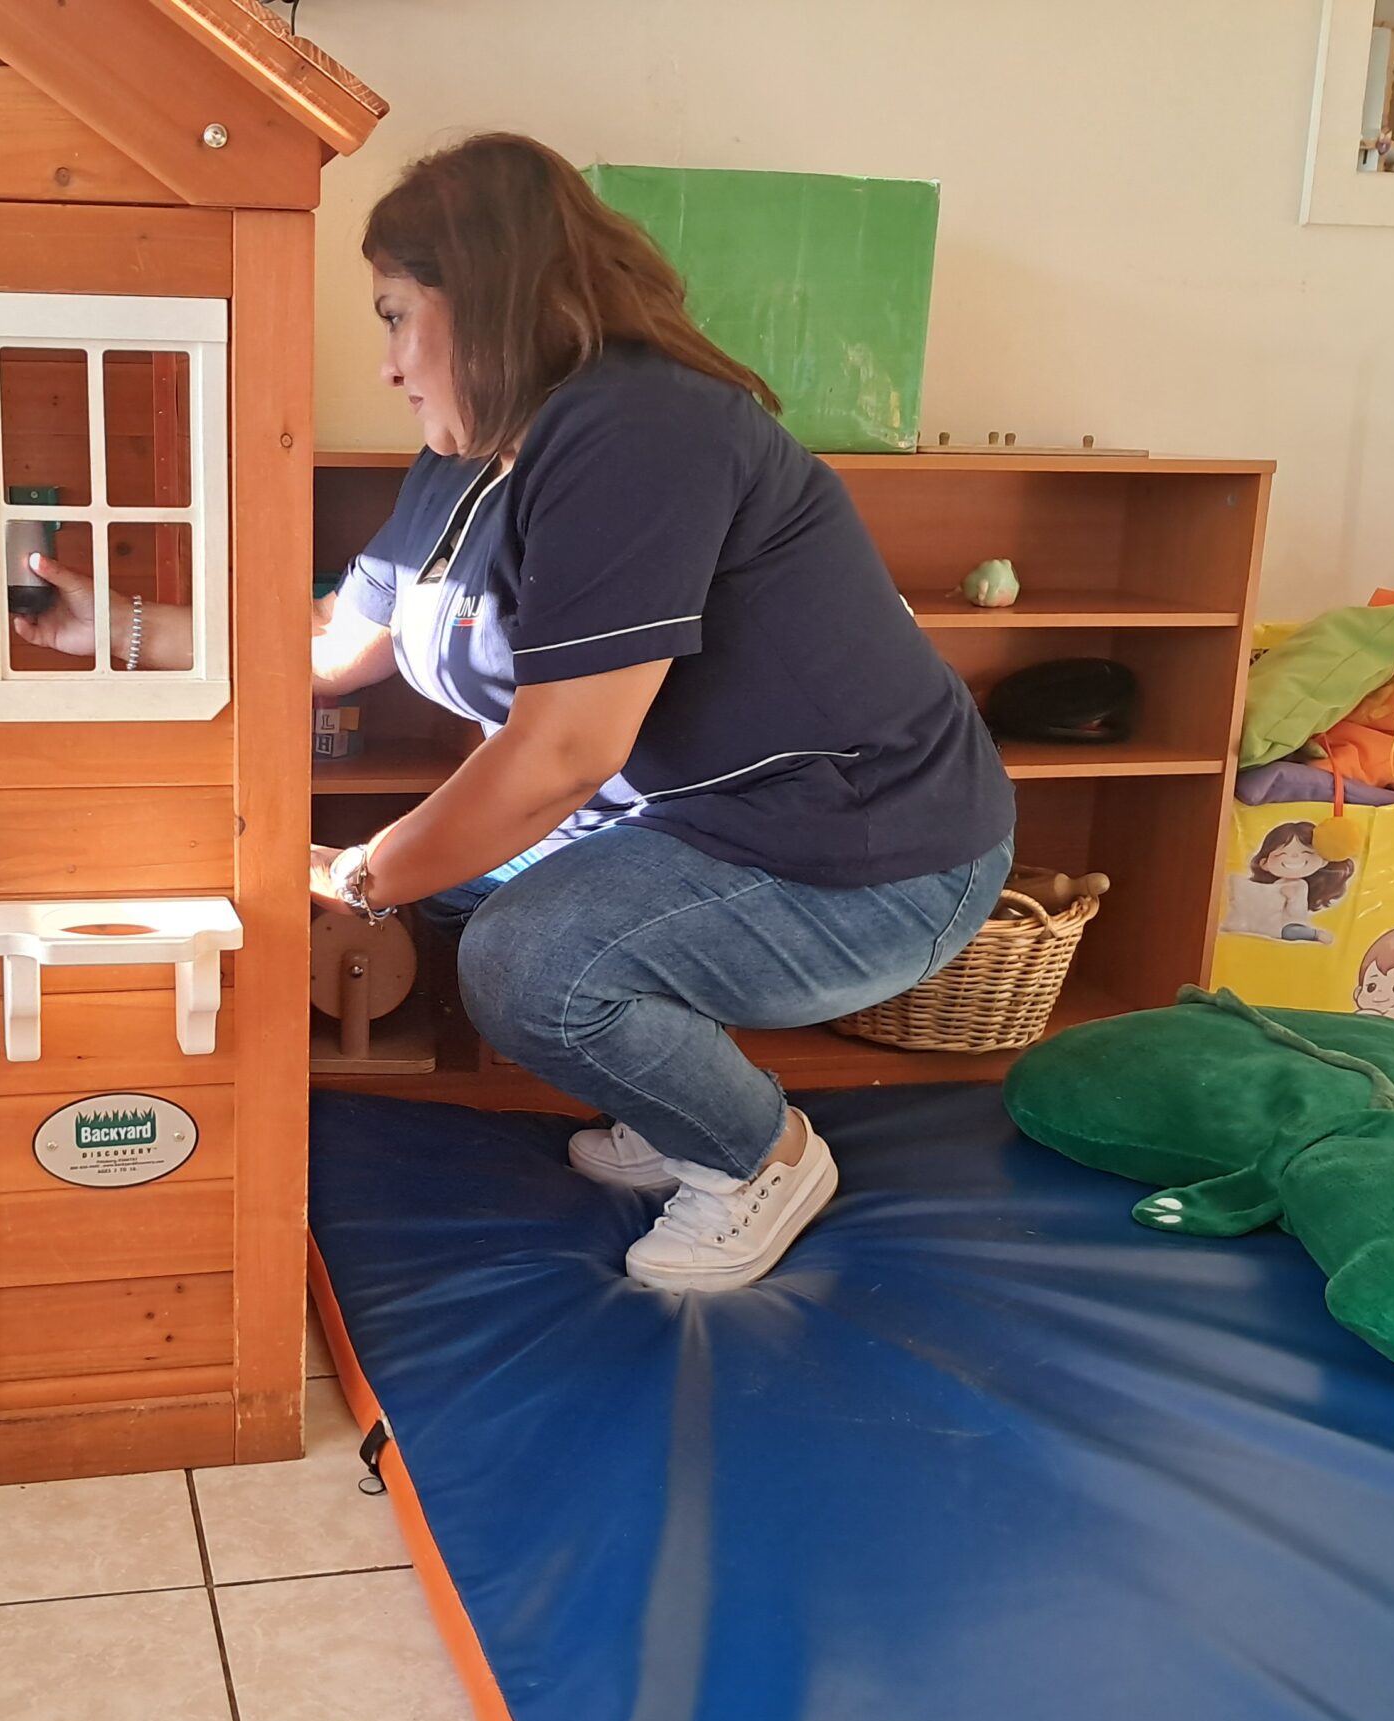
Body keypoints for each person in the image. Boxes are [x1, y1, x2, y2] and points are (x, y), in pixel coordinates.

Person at [306, 134, 1015, 1292]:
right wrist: (128, 636)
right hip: (689, 822)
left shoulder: (640, 429)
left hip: (868, 854)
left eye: (394, 318)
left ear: (480, 301)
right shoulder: (465, 456)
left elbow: (564, 753)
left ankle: (759, 1159)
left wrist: (363, 875)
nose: (386, 365)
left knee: (524, 961)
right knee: (466, 885)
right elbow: (335, 650)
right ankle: (675, 1100)